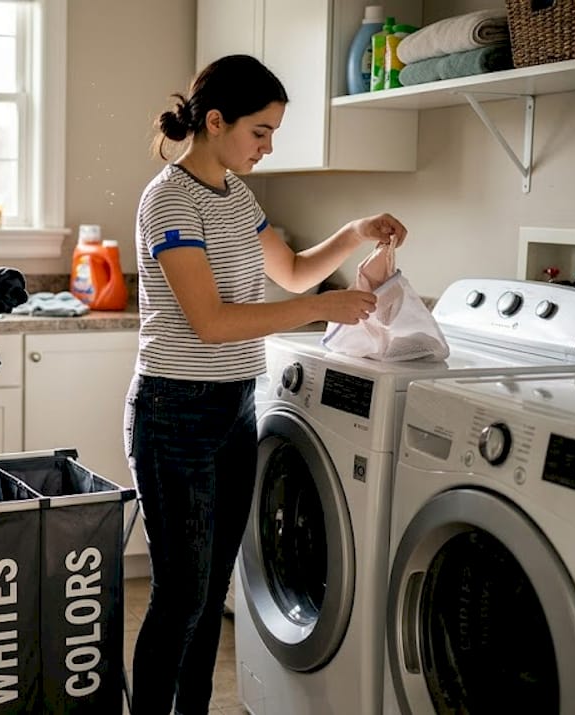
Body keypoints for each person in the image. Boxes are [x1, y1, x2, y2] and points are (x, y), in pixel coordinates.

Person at [125, 53, 407, 715]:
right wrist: (323, 309)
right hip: (175, 412)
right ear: (215, 121)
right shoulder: (168, 198)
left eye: (274, 132)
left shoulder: (237, 195)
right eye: (260, 131)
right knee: (180, 598)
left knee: (211, 585)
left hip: (232, 408)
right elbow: (211, 320)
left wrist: (354, 232)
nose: (268, 145)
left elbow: (295, 272)